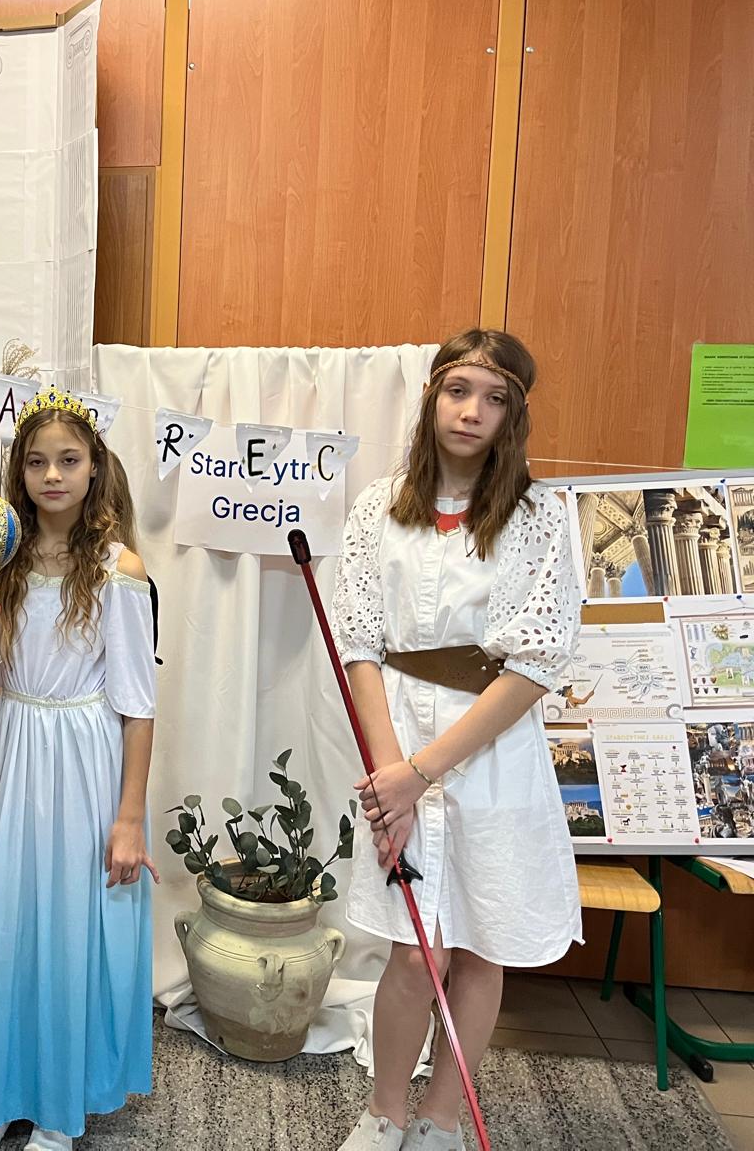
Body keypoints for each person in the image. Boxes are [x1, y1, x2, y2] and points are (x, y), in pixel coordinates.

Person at [331, 330, 582, 1151]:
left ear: (515, 415)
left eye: (495, 398)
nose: (472, 411)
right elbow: (360, 644)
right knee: (414, 953)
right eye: (458, 390)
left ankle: (441, 1119)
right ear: (433, 396)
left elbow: (536, 664)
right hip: (398, 739)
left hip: (493, 754)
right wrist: (392, 777)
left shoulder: (541, 519)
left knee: (478, 946)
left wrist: (424, 772)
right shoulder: (378, 507)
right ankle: (385, 1112)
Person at [0, 386, 158, 1151]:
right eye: (37, 462)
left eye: (68, 460)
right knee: (6, 925)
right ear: (19, 471)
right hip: (16, 750)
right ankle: (0, 1088)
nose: (52, 475)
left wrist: (129, 818)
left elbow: (138, 705)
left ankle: (56, 1106)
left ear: (94, 467)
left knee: (70, 930)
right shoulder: (2, 561)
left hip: (83, 760)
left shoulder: (117, 569)